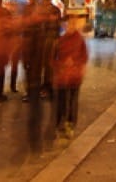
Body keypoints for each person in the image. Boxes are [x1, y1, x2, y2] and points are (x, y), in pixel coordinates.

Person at [52, 13, 89, 141]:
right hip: (62, 77)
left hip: (74, 77)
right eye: (69, 23)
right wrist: (60, 65)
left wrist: (78, 66)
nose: (71, 26)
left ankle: (70, 124)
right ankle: (59, 125)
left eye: (74, 23)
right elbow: (52, 58)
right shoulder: (60, 40)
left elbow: (84, 57)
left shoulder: (79, 40)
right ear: (64, 25)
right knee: (61, 101)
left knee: (72, 101)